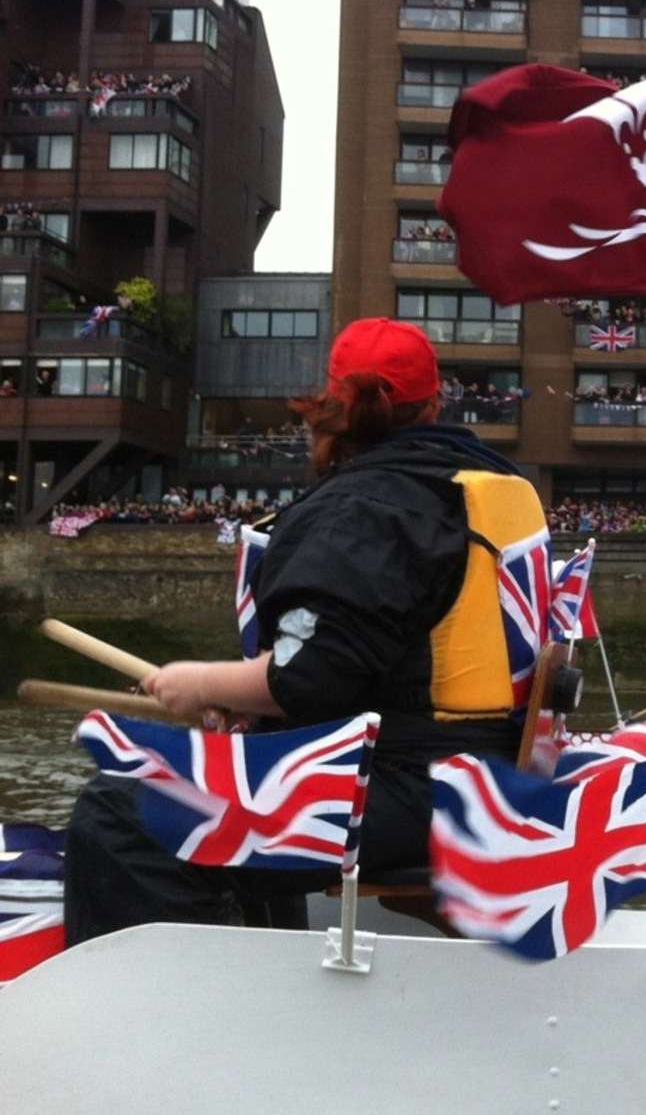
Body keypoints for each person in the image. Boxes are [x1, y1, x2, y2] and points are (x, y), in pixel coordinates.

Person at [63, 318, 544, 943]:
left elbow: (308, 679)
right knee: (239, 770)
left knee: (127, 811)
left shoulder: (367, 509)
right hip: (487, 775)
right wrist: (234, 706)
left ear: (333, 404)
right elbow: (379, 664)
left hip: (413, 790)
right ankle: (273, 963)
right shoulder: (490, 486)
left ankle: (175, 1022)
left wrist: (199, 681)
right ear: (435, 405)